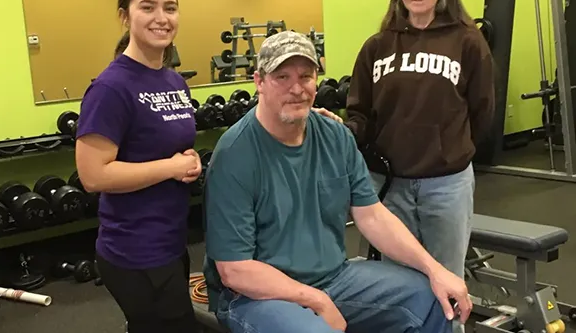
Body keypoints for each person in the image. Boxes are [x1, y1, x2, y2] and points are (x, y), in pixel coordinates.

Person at [202, 30, 473, 333]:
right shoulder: (235, 153)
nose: (297, 88)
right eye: (282, 77)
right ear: (259, 82)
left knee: (432, 299)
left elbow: (372, 216)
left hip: (336, 278)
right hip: (258, 296)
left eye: (306, 76)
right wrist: (317, 301)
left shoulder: (335, 136)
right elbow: (234, 271)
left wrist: (434, 269)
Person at [345, 0, 495, 283]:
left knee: (447, 280)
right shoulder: (378, 45)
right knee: (396, 284)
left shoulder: (469, 42)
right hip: (389, 184)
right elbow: (361, 114)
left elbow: (483, 112)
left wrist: (450, 149)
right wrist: (345, 130)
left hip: (446, 184)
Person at [75, 0, 203, 333]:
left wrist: (187, 163)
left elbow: (168, 148)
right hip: (134, 250)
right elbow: (93, 175)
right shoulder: (111, 88)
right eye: (148, 7)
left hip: (171, 240)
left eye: (170, 7)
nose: (162, 18)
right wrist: (171, 167)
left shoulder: (174, 81)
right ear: (124, 16)